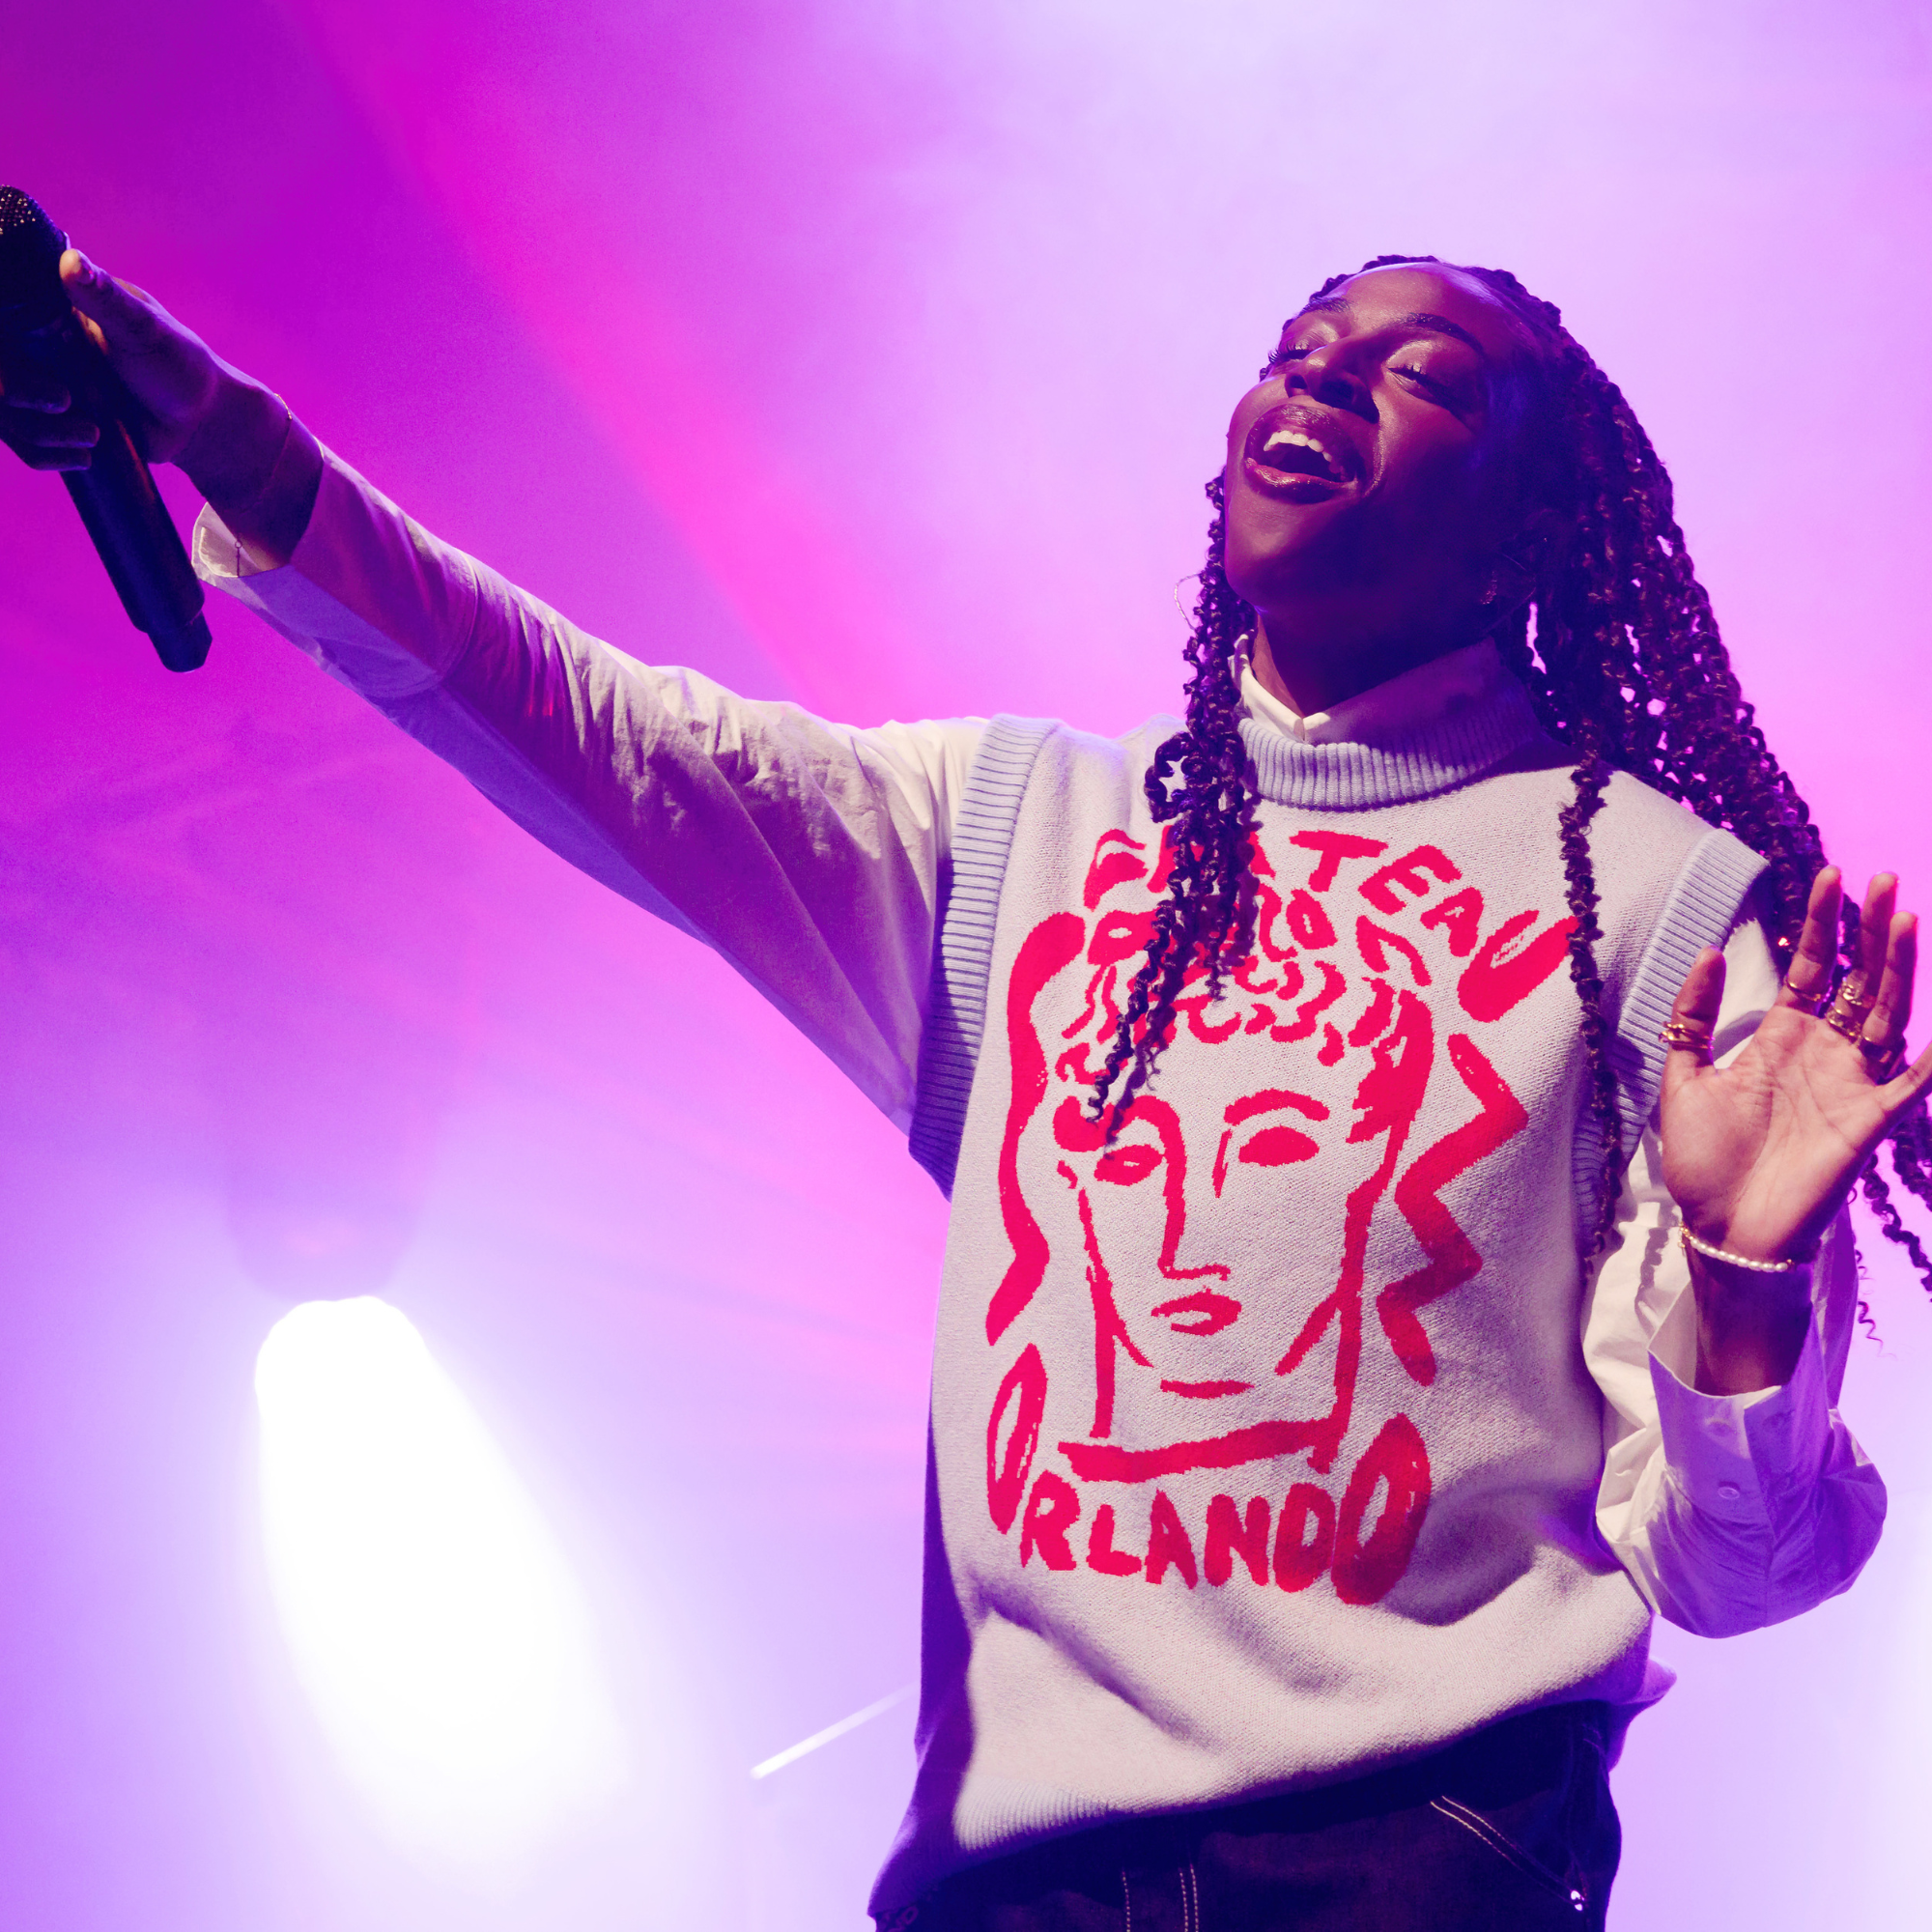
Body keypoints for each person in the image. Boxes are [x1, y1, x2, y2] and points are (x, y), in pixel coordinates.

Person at [7, 247, 1930, 1931]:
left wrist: (1746, 1294)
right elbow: (595, 724)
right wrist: (256, 462)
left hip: (1417, 1865)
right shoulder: (1021, 829)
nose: (1330, 371)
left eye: (1425, 373)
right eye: (1304, 340)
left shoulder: (1656, 901)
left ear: (1526, 523)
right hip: (1009, 1880)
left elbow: (1735, 1570)